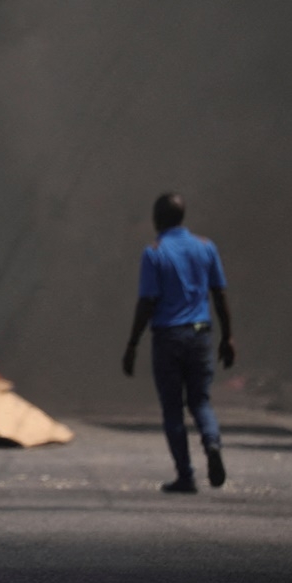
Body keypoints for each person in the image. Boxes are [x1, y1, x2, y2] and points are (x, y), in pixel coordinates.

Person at [123, 193, 235, 494]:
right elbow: (219, 294)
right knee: (200, 401)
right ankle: (212, 443)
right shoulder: (206, 247)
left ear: (157, 219)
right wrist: (228, 336)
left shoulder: (155, 252)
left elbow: (147, 301)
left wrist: (133, 343)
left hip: (168, 337)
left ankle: (186, 475)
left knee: (172, 409)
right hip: (200, 334)